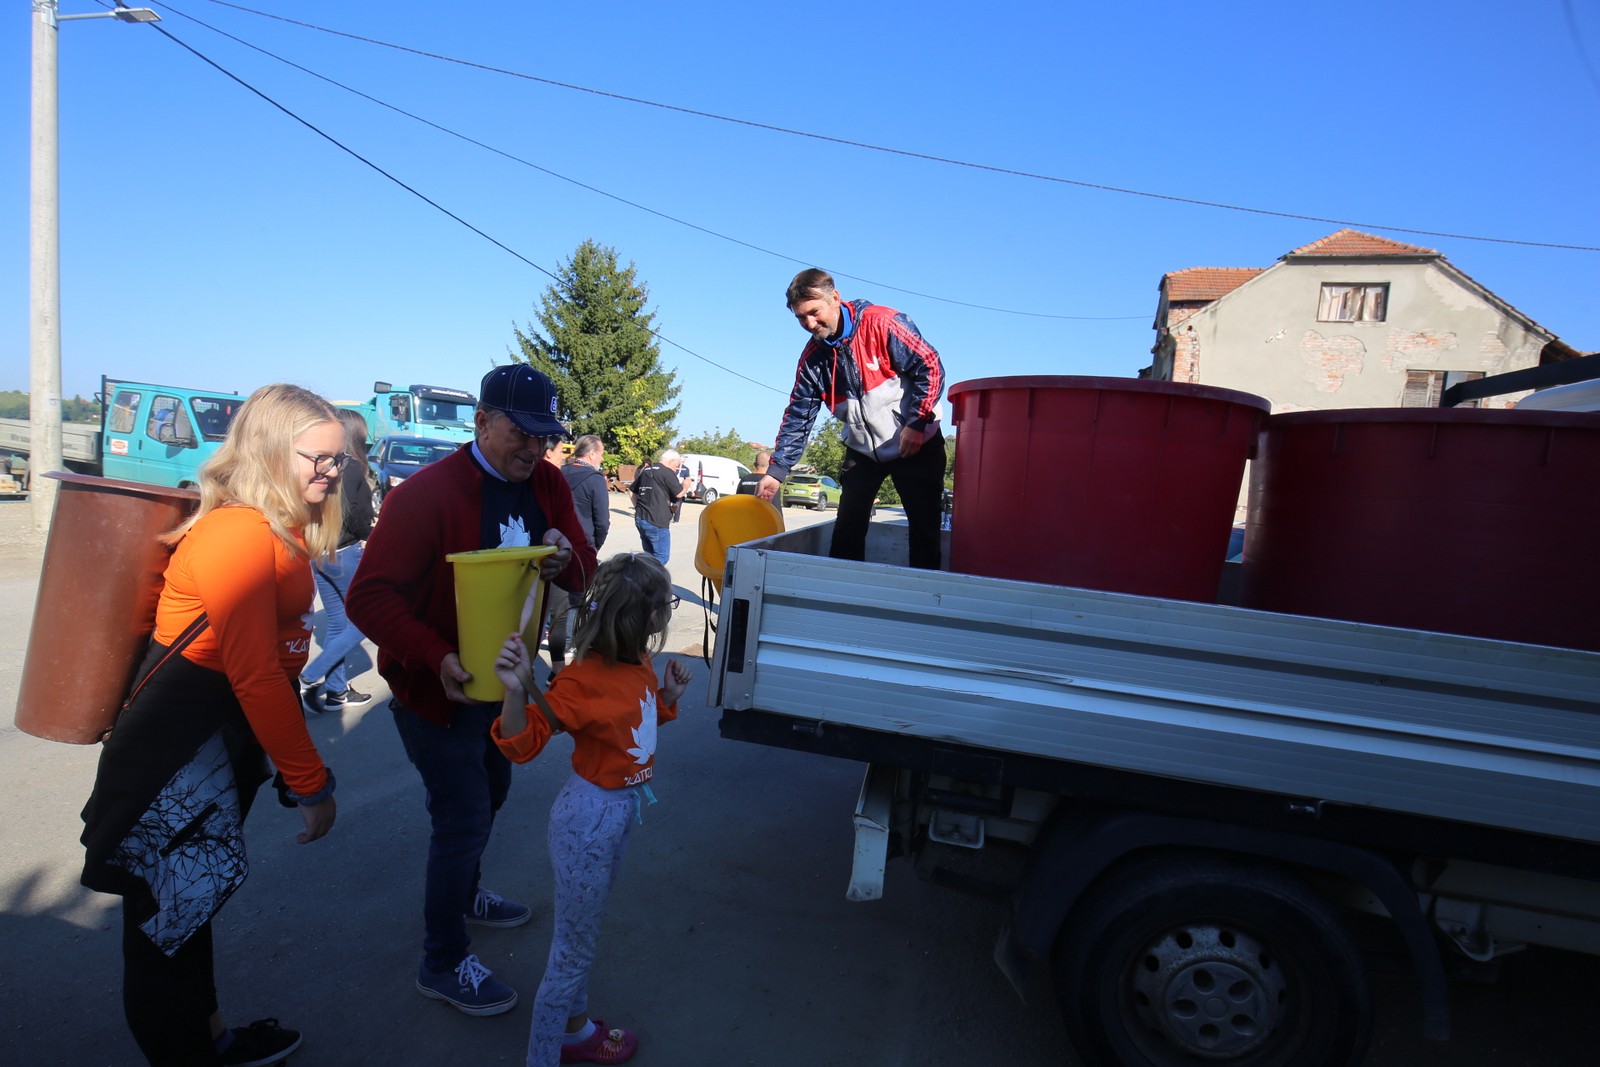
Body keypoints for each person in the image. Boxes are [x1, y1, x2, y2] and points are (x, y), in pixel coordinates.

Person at [79, 383, 343, 1067]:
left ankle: (213, 1039)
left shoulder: (271, 528)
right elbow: (255, 674)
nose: (332, 472)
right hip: (175, 752)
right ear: (268, 449)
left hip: (209, 748)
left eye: (339, 461)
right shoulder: (239, 533)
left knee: (185, 913)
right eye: (319, 457)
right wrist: (309, 781)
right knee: (163, 927)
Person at [346, 364, 598, 1018]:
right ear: (481, 422)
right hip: (438, 691)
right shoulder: (425, 496)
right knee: (461, 818)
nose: (534, 450)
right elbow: (367, 597)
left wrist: (564, 550)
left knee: (493, 793)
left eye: (545, 436)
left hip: (504, 685)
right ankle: (442, 958)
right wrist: (435, 657)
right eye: (520, 433)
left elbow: (584, 565)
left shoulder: (545, 482)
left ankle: (467, 892)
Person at [489, 553, 691, 1066]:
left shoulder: (637, 662)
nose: (665, 612)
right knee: (571, 954)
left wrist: (667, 695)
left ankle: (575, 1031)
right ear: (643, 617)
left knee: (581, 936)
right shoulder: (580, 682)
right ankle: (544, 1055)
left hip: (616, 816)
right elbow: (521, 743)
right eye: (663, 605)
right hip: (590, 822)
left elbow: (633, 728)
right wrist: (514, 692)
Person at [757, 268, 948, 569]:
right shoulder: (813, 360)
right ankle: (843, 600)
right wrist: (778, 469)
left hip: (914, 442)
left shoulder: (882, 323)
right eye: (800, 318)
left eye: (814, 312)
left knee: (924, 530)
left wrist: (917, 422)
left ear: (835, 297)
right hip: (863, 450)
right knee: (847, 527)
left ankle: (923, 603)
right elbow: (799, 414)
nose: (809, 323)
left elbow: (930, 367)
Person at [300, 409, 377, 713]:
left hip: (319, 552)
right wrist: (375, 532)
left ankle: (336, 692)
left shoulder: (324, 466)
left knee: (337, 623)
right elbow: (356, 518)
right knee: (365, 620)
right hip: (344, 554)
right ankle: (312, 674)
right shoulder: (353, 468)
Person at [549, 435, 610, 674]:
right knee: (576, 602)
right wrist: (594, 547)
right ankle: (565, 657)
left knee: (556, 603)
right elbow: (602, 521)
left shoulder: (559, 471)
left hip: (552, 542)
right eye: (602, 453)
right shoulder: (595, 479)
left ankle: (556, 649)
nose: (603, 458)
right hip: (581, 546)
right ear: (592, 454)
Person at [629, 449, 686, 564]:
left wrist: (637, 507)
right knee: (661, 558)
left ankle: (645, 579)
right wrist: (686, 485)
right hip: (656, 521)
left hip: (641, 518)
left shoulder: (646, 471)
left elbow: (631, 491)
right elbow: (679, 493)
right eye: (676, 466)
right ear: (671, 461)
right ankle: (649, 579)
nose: (676, 469)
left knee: (648, 557)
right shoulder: (667, 472)